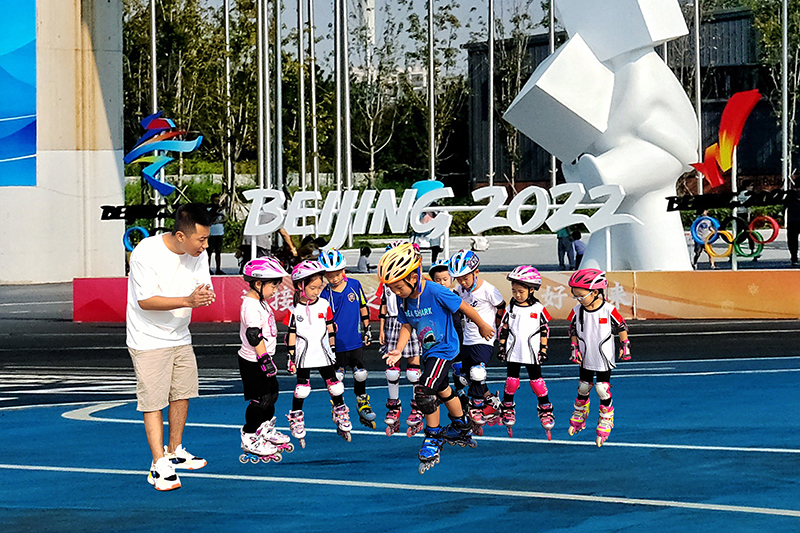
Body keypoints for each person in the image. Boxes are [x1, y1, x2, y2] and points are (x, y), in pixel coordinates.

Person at [379, 243, 493, 473]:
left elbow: (463, 307)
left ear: (413, 277)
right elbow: (406, 325)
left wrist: (482, 325)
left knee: (424, 391)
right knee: (442, 388)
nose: (395, 292)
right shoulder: (404, 299)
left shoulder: (435, 291)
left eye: (398, 287)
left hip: (445, 349)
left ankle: (433, 437)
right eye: (391, 288)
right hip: (429, 351)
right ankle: (461, 425)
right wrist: (399, 349)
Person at [126, 203, 214, 492]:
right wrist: (188, 301)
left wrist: (203, 295)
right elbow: (145, 301)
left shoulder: (198, 254)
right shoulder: (146, 253)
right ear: (180, 236)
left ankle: (175, 450)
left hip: (180, 335)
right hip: (148, 338)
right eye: (201, 240)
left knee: (182, 393)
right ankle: (157, 463)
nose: (205, 246)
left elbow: (202, 287)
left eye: (207, 239)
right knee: (153, 401)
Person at [285, 260, 353, 446]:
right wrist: (291, 357)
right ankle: (296, 418)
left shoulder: (324, 304)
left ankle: (340, 412)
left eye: (319, 287)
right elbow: (291, 335)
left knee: (335, 386)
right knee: (302, 389)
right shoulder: (294, 310)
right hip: (303, 354)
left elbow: (330, 327)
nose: (316, 291)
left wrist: (333, 348)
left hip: (323, 352)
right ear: (301, 286)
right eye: (312, 288)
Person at [566, 268, 630, 447]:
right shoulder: (577, 311)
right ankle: (580, 412)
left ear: (595, 292)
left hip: (603, 356)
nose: (578, 300)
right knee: (583, 386)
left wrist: (624, 345)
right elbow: (572, 329)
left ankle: (606, 417)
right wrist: (574, 347)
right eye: (575, 296)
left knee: (602, 388)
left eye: (581, 296)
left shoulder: (608, 310)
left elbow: (621, 326)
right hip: (585, 354)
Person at [237, 257, 293, 462]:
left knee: (272, 394)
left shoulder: (260, 302)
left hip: (263, 358)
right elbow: (253, 335)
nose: (276, 290)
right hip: (253, 361)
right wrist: (264, 360)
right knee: (260, 399)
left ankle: (264, 428)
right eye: (273, 286)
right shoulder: (250, 305)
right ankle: (249, 435)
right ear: (258, 283)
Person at [448, 249, 506, 435]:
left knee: (477, 371)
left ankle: (477, 406)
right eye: (459, 279)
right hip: (468, 339)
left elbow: (501, 306)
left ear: (476, 272)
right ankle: (491, 401)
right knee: (464, 376)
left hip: (485, 339)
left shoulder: (488, 290)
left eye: (465, 278)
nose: (463, 282)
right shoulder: (460, 290)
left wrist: (495, 326)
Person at [318, 248, 377, 429]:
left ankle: (362, 402)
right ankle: (339, 407)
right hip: (336, 343)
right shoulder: (324, 294)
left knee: (360, 373)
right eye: (330, 276)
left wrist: (367, 328)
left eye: (337, 274)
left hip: (354, 340)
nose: (334, 279)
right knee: (338, 377)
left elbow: (363, 306)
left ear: (343, 270)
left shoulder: (354, 285)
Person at [496, 266, 554, 440]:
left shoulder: (538, 308)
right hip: (513, 350)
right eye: (514, 291)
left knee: (537, 382)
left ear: (531, 290)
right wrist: (501, 348)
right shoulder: (510, 308)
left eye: (521, 291)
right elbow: (504, 329)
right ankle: (507, 407)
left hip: (532, 351)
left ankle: (545, 408)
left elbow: (544, 329)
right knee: (511, 381)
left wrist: (543, 349)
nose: (517, 295)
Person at [378, 241, 423, 436]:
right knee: (392, 371)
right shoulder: (387, 282)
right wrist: (381, 329)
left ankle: (417, 406)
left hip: (411, 321)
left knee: (413, 372)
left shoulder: (413, 280)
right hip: (392, 322)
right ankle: (394, 405)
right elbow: (384, 305)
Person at [428, 258, 468, 410]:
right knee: (439, 366)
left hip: (455, 333)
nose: (442, 283)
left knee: (458, 367)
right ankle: (440, 392)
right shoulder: (431, 296)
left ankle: (461, 391)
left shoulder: (455, 294)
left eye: (445, 279)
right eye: (437, 280)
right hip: (438, 336)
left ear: (451, 279)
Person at [207, 193, 227, 274]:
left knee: (218, 252)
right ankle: (208, 269)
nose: (217, 202)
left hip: (219, 232)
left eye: (218, 200)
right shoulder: (208, 208)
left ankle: (218, 269)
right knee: (209, 252)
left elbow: (225, 218)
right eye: (215, 200)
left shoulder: (221, 209)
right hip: (211, 233)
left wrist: (218, 221)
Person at [786, 188, 800, 267]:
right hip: (794, 220)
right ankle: (794, 257)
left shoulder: (790, 195)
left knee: (792, 240)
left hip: (792, 221)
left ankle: (794, 257)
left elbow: (785, 205)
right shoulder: (791, 195)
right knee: (792, 240)